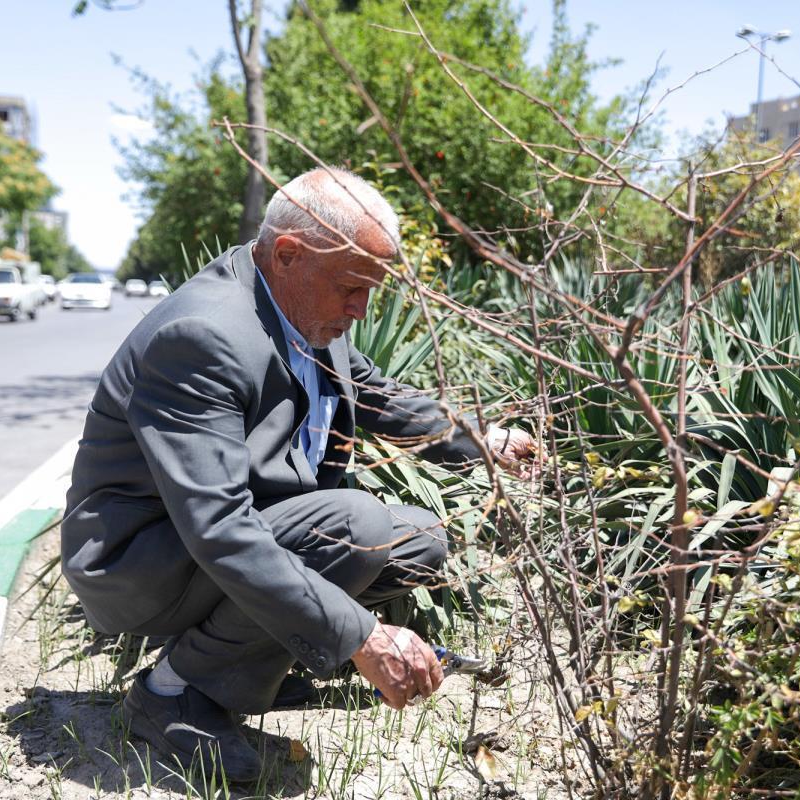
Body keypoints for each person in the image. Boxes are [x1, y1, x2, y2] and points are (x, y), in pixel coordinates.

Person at [60, 166, 536, 782]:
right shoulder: (203, 336)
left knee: (417, 540)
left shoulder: (298, 306)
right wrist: (361, 637)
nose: (361, 310)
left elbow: (376, 395)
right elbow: (220, 526)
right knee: (358, 525)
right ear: (288, 254)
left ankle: (248, 671)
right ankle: (172, 694)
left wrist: (484, 441)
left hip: (207, 547)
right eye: (351, 288)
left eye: (372, 291)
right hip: (140, 564)